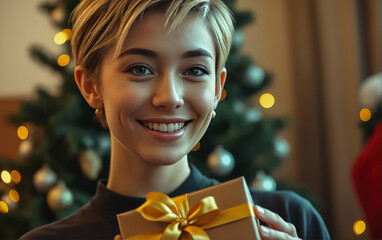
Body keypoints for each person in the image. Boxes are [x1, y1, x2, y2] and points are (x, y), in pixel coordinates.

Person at [20, 0, 330, 239]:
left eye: (195, 70)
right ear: (90, 86)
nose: (170, 97)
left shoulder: (288, 218)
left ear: (218, 87)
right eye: (140, 69)